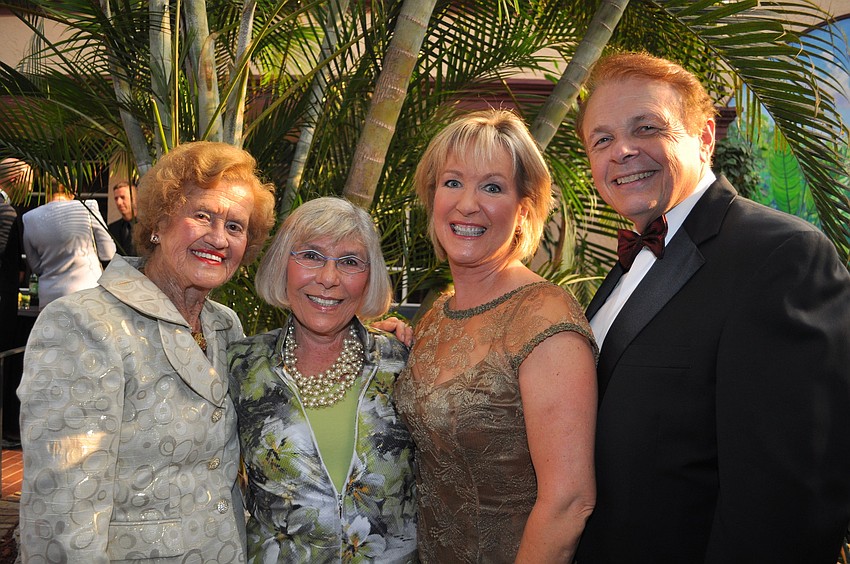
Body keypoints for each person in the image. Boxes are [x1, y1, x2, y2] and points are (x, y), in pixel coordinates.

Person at [574, 52, 850, 563]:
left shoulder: (781, 255)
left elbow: (787, 500)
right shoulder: (628, 265)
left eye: (647, 127)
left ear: (705, 136)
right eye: (603, 139)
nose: (623, 151)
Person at [17, 141, 277, 562]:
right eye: (202, 215)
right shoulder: (83, 323)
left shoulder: (225, 324)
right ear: (158, 222)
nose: (218, 238)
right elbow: (62, 507)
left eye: (235, 226)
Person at [394, 109, 598, 563]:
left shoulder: (543, 315)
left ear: (523, 209)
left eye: (492, 187)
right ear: (432, 198)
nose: (468, 204)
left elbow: (569, 502)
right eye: (452, 182)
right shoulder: (437, 314)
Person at [227, 196, 418, 563]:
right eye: (311, 256)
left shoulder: (405, 363)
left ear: (370, 277)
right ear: (283, 265)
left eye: (349, 262)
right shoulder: (240, 366)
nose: (329, 279)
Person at [22, 182, 116, 306]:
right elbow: (108, 253)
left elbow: (35, 266)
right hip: (86, 293)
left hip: (49, 299)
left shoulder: (29, 218)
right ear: (73, 189)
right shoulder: (87, 207)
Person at [108, 180, 137, 255]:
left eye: (122, 197)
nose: (119, 202)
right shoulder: (111, 229)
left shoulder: (147, 227)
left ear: (135, 198)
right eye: (116, 198)